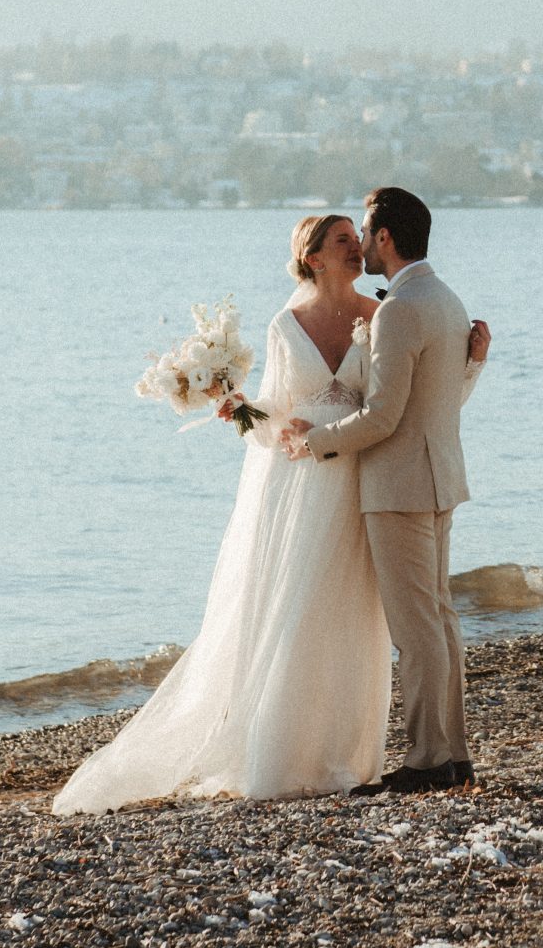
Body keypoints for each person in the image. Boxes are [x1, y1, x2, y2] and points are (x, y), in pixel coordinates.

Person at [50, 205, 488, 813]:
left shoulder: (383, 314)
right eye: (342, 240)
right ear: (312, 256)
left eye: (358, 235)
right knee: (309, 609)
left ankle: (414, 755)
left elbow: (409, 405)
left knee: (382, 621)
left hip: (370, 475)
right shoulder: (288, 324)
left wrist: (468, 364)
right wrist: (241, 411)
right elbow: (278, 414)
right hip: (313, 484)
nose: (356, 247)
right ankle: (305, 748)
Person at [282, 186, 479, 794]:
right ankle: (453, 754)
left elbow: (384, 418)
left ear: (385, 238)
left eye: (365, 235)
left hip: (399, 486)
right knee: (439, 621)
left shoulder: (398, 309)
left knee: (417, 631)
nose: (362, 246)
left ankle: (427, 761)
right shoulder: (444, 298)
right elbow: (439, 398)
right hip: (439, 477)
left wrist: (313, 442)